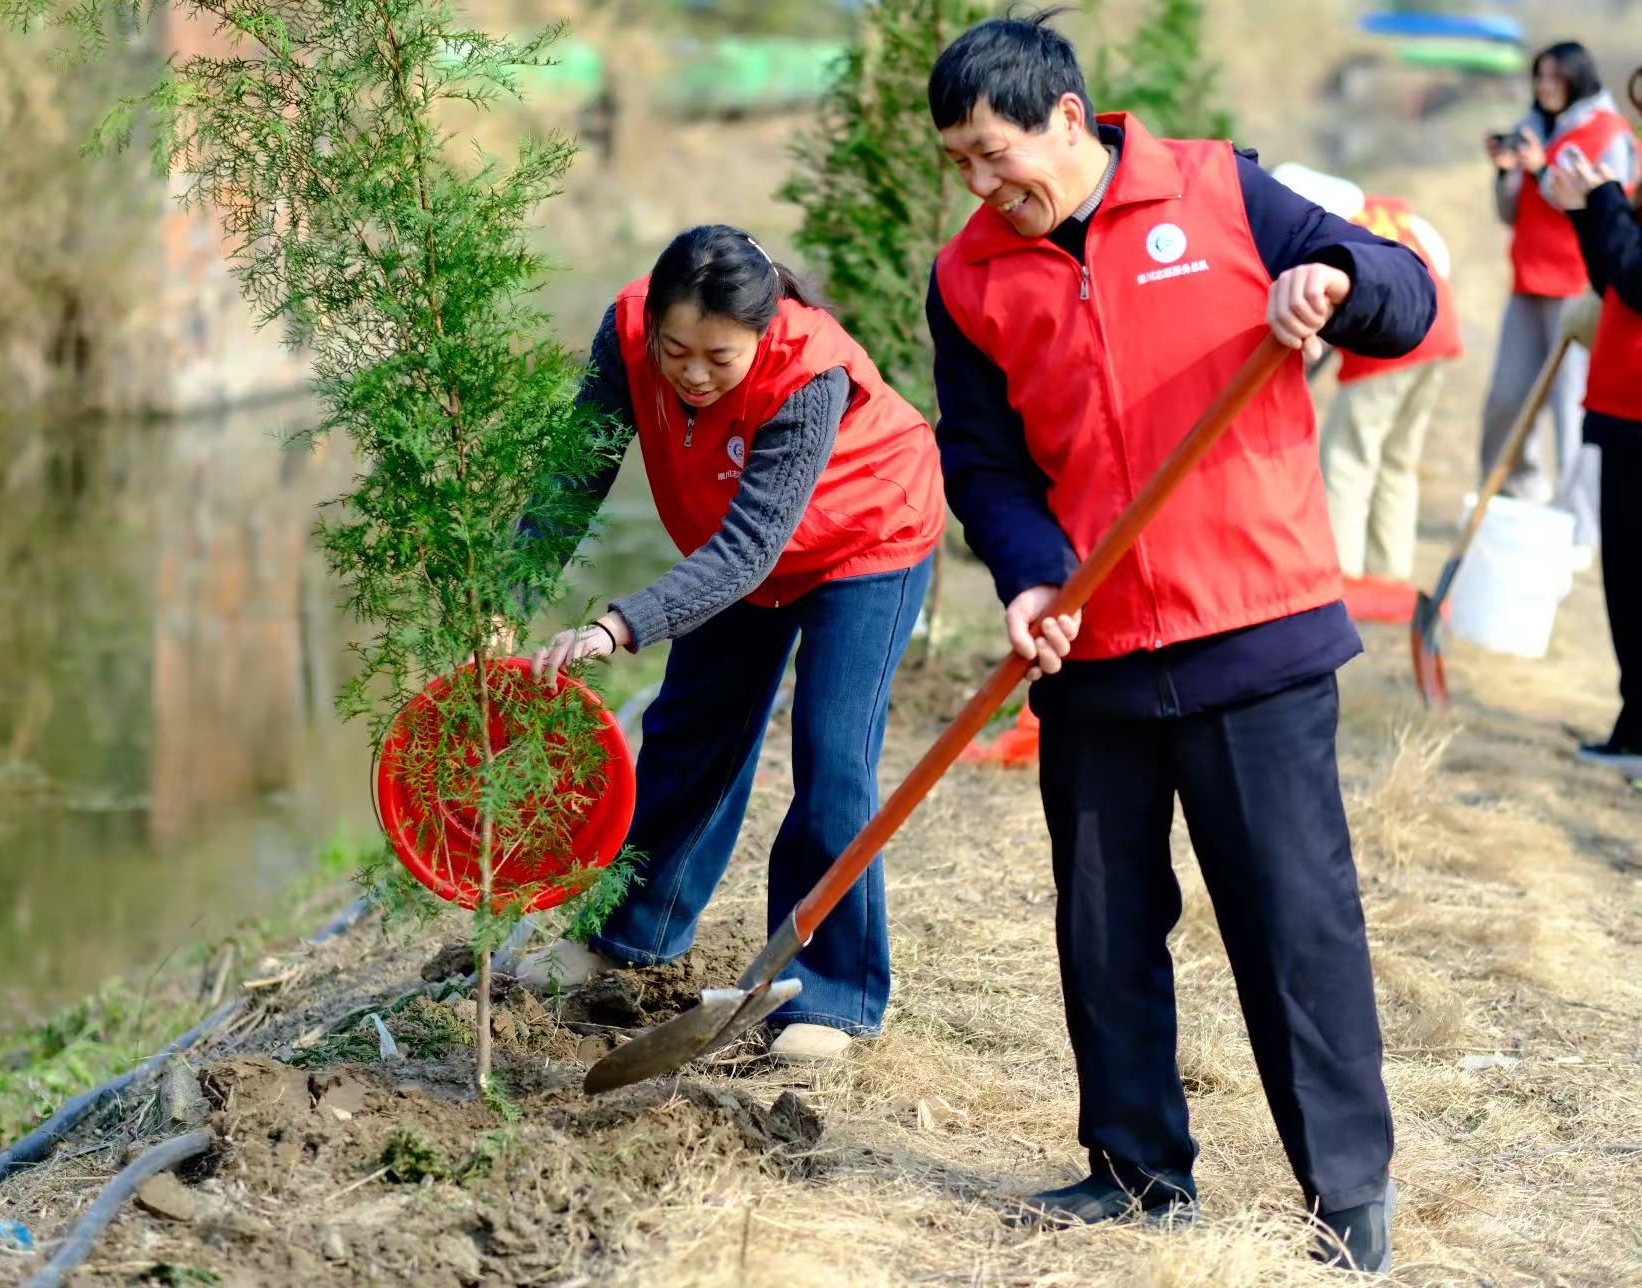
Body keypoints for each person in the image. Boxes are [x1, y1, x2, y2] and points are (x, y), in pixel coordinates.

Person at [925, 13, 1436, 1274]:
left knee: (1289, 919)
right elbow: (983, 461)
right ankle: (1137, 1169)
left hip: (1251, 631)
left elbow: (1407, 296)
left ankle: (1347, 1195)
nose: (986, 190)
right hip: (1093, 650)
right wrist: (1033, 579)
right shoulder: (969, 277)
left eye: (997, 155)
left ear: (1066, 115)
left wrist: (1338, 286)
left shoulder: (1221, 190)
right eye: (961, 166)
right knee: (1102, 920)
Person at [512, 225, 945, 1065]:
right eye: (676, 351)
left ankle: (833, 993)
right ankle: (630, 937)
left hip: (865, 538)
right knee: (688, 734)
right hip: (736, 544)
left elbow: (753, 549)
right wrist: (510, 595)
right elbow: (577, 471)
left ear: (764, 330)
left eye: (720, 357)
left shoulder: (808, 369)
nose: (693, 373)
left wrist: (617, 623)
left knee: (832, 759)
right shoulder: (628, 330)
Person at [1274, 165, 1464, 602]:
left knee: (1348, 457)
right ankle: (1389, 572)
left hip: (1389, 353)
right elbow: (1441, 263)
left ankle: (1346, 576)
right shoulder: (1393, 215)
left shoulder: (1332, 236)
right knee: (1397, 459)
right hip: (1438, 338)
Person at [1482, 42, 1636, 562]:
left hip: (1576, 282)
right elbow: (1512, 211)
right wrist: (1507, 171)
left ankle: (1579, 523)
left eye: (1554, 77)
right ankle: (1514, 496)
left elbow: (1603, 205)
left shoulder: (1610, 133)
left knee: (1572, 412)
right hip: (1527, 278)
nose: (1544, 87)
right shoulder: (1533, 124)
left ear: (1577, 78)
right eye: (1539, 77)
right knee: (1507, 397)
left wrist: (1543, 165)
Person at [1548, 73, 1642, 776]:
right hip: (1621, 399)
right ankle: (1635, 720)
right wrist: (1588, 210)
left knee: (1637, 577)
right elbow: (1614, 274)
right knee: (1627, 576)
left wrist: (1604, 198)